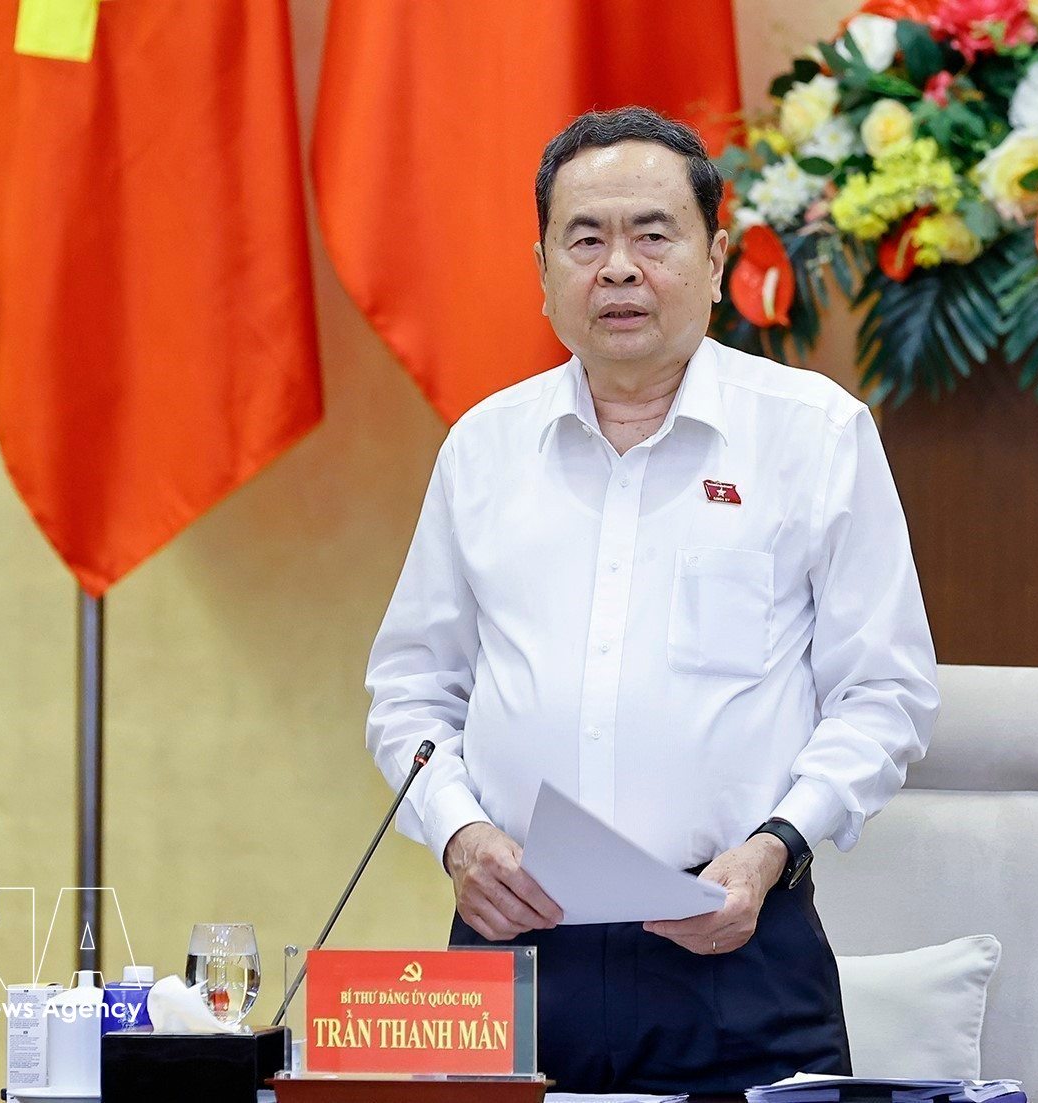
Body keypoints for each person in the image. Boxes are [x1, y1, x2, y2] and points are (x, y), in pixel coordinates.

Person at [365, 106, 939, 1095]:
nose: (619, 269)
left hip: (736, 946)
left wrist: (771, 850)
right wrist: (459, 833)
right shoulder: (483, 449)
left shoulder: (814, 436)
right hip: (513, 944)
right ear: (543, 270)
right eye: (585, 240)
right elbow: (411, 693)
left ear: (715, 260)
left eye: (653, 235)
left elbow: (885, 694)